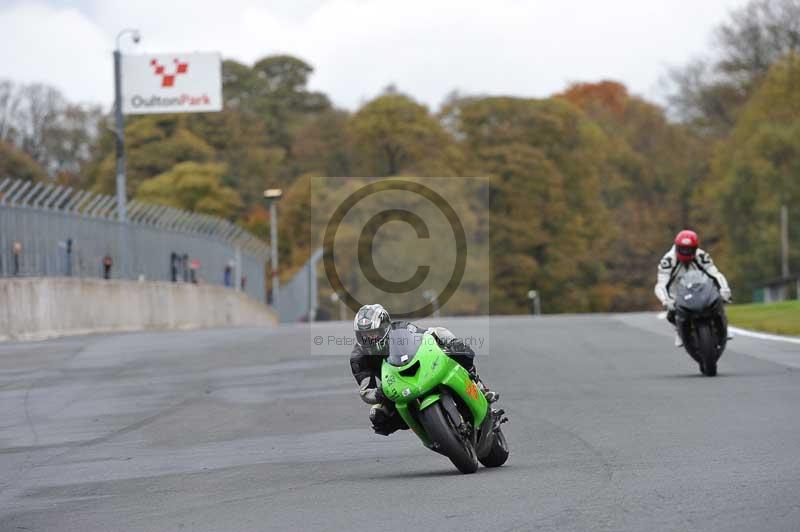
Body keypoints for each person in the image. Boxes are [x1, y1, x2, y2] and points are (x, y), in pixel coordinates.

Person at [349, 303, 497, 436]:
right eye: (363, 336)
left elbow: (428, 335)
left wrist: (450, 344)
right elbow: (365, 389)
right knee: (377, 417)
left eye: (372, 333)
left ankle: (479, 385)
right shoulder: (358, 358)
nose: (368, 339)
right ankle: (429, 429)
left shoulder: (401, 328)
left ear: (385, 327)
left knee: (454, 347)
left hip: (421, 368)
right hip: (394, 388)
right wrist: (379, 393)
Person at [654, 230, 732, 347]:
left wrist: (724, 289)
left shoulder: (701, 256)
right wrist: (666, 300)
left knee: (718, 300)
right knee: (671, 313)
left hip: (700, 288)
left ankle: (723, 324)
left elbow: (716, 274)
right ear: (677, 247)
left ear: (695, 248)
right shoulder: (668, 260)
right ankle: (679, 330)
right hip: (677, 292)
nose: (686, 252)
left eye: (690, 249)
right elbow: (660, 284)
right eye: (683, 249)